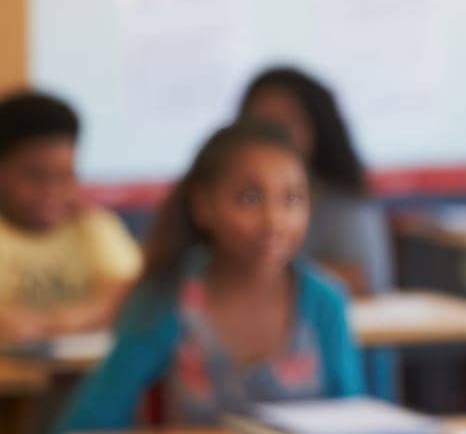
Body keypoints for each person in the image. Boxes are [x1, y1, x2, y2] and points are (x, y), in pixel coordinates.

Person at [54, 121, 363, 430]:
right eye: (250, 198)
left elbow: (355, 420)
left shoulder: (324, 301)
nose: (274, 221)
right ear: (203, 206)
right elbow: (87, 423)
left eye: (292, 199)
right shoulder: (168, 296)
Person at [0, 89, 141, 344]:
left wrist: (46, 324)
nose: (52, 192)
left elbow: (128, 298)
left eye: (65, 176)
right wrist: (88, 317)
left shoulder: (94, 226)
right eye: (35, 176)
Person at [238, 66, 393, 297]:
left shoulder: (341, 199)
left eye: (285, 123)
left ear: (316, 130)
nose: (271, 137)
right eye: (259, 124)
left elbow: (363, 280)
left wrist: (263, 274)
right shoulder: (226, 192)